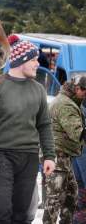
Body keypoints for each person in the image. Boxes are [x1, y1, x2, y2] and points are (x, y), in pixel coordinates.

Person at [0, 35, 56, 224]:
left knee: (22, 213)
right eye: (34, 59)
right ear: (21, 61)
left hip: (28, 157)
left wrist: (49, 156)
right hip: (1, 156)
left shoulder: (38, 89)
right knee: (2, 210)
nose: (38, 64)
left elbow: (44, 125)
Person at [43, 76, 86, 224]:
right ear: (77, 89)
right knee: (54, 199)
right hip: (57, 155)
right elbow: (77, 133)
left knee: (71, 195)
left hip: (64, 156)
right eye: (84, 92)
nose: (85, 96)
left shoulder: (68, 100)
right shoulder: (66, 105)